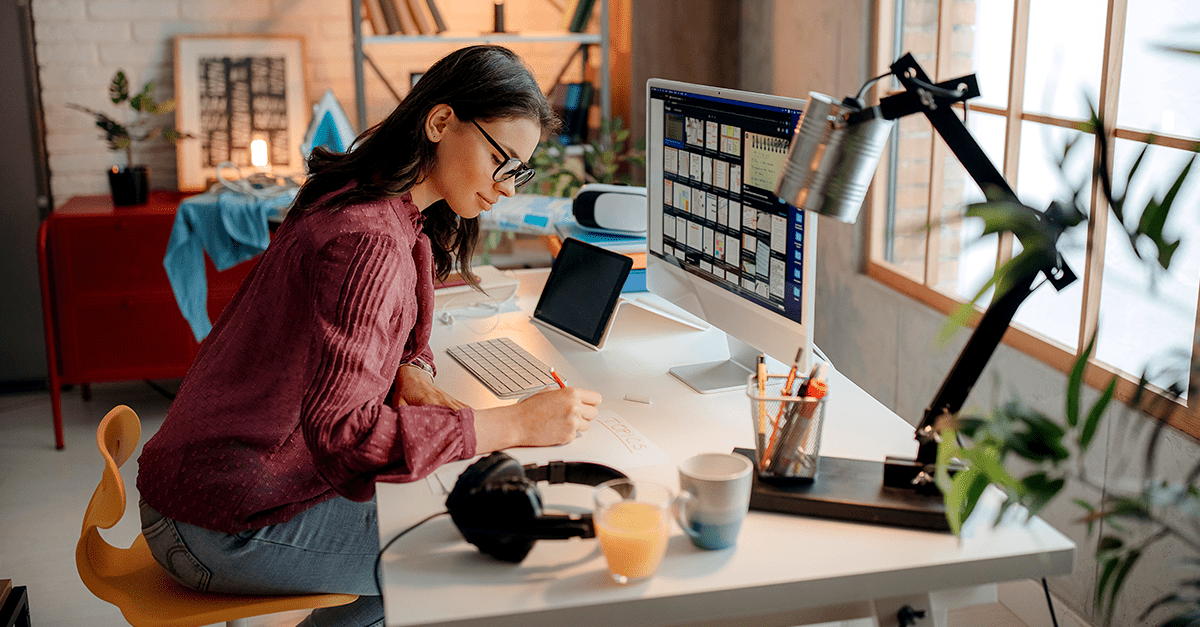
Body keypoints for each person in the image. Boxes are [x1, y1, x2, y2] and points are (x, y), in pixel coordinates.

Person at [136, 45, 601, 627]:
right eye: (502, 160)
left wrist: (409, 371)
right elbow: (343, 435)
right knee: (453, 559)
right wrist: (515, 424)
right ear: (440, 123)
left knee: (427, 513)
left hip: (205, 487)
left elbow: (381, 336)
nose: (508, 188)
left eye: (520, 171)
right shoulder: (370, 240)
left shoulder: (371, 195)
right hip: (215, 523)